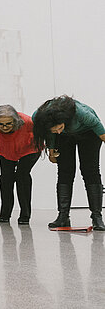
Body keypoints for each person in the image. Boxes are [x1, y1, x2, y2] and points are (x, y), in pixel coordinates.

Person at [32, 96, 105, 230]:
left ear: (63, 120)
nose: (58, 130)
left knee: (90, 171)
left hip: (89, 132)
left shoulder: (80, 112)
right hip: (65, 138)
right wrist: (51, 150)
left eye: (59, 127)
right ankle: (63, 216)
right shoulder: (39, 117)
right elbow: (50, 134)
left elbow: (99, 129)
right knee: (65, 171)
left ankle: (97, 217)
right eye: (55, 129)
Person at [0, 105, 39, 225]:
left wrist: (51, 148)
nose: (5, 127)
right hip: (6, 152)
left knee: (22, 177)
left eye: (9, 124)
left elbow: (43, 131)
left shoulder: (27, 121)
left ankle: (25, 216)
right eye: (1, 125)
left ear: (15, 121)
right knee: (6, 179)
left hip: (29, 150)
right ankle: (5, 214)